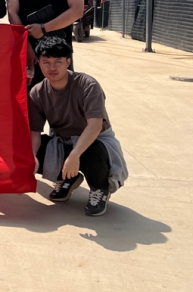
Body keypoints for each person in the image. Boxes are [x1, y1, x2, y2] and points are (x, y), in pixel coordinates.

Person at [29, 36, 128, 217]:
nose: (52, 67)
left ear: (68, 62)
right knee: (30, 150)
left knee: (91, 150)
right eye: (46, 62)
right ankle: (68, 179)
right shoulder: (37, 92)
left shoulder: (87, 85)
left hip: (96, 140)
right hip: (63, 140)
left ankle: (100, 189)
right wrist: (32, 157)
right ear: (38, 63)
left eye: (58, 62)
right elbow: (34, 132)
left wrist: (74, 156)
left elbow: (95, 126)